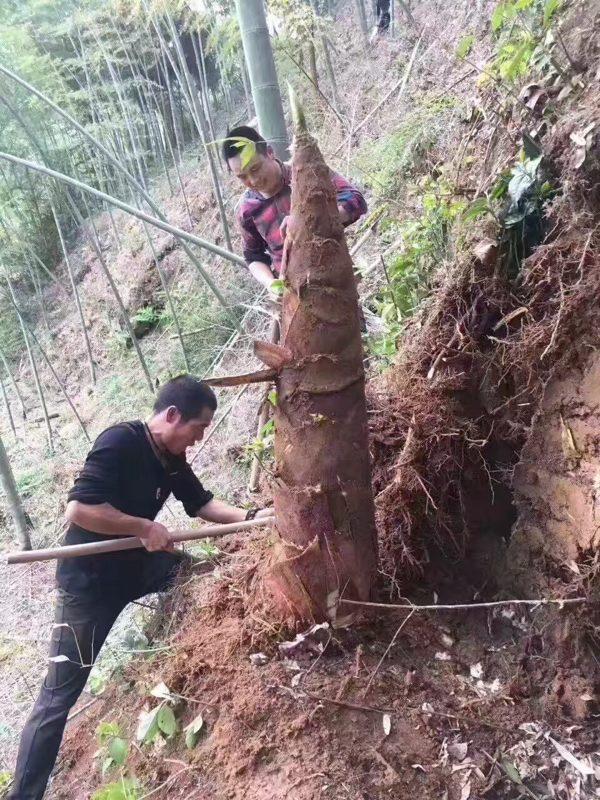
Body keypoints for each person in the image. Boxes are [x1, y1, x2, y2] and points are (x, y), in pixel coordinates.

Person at [8, 375, 270, 800]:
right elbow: (80, 508)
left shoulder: (171, 458)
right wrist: (142, 526)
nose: (200, 438)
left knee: (198, 575)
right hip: (88, 587)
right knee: (57, 700)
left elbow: (201, 504)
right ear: (171, 415)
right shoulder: (121, 442)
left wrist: (254, 515)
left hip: (139, 568)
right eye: (198, 428)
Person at [223, 125, 367, 297]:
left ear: (270, 153)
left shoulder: (306, 173)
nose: (253, 180)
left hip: (335, 282)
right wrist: (270, 283)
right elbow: (253, 257)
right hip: (293, 296)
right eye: (242, 177)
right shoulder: (247, 210)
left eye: (255, 168)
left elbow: (355, 200)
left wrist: (307, 221)